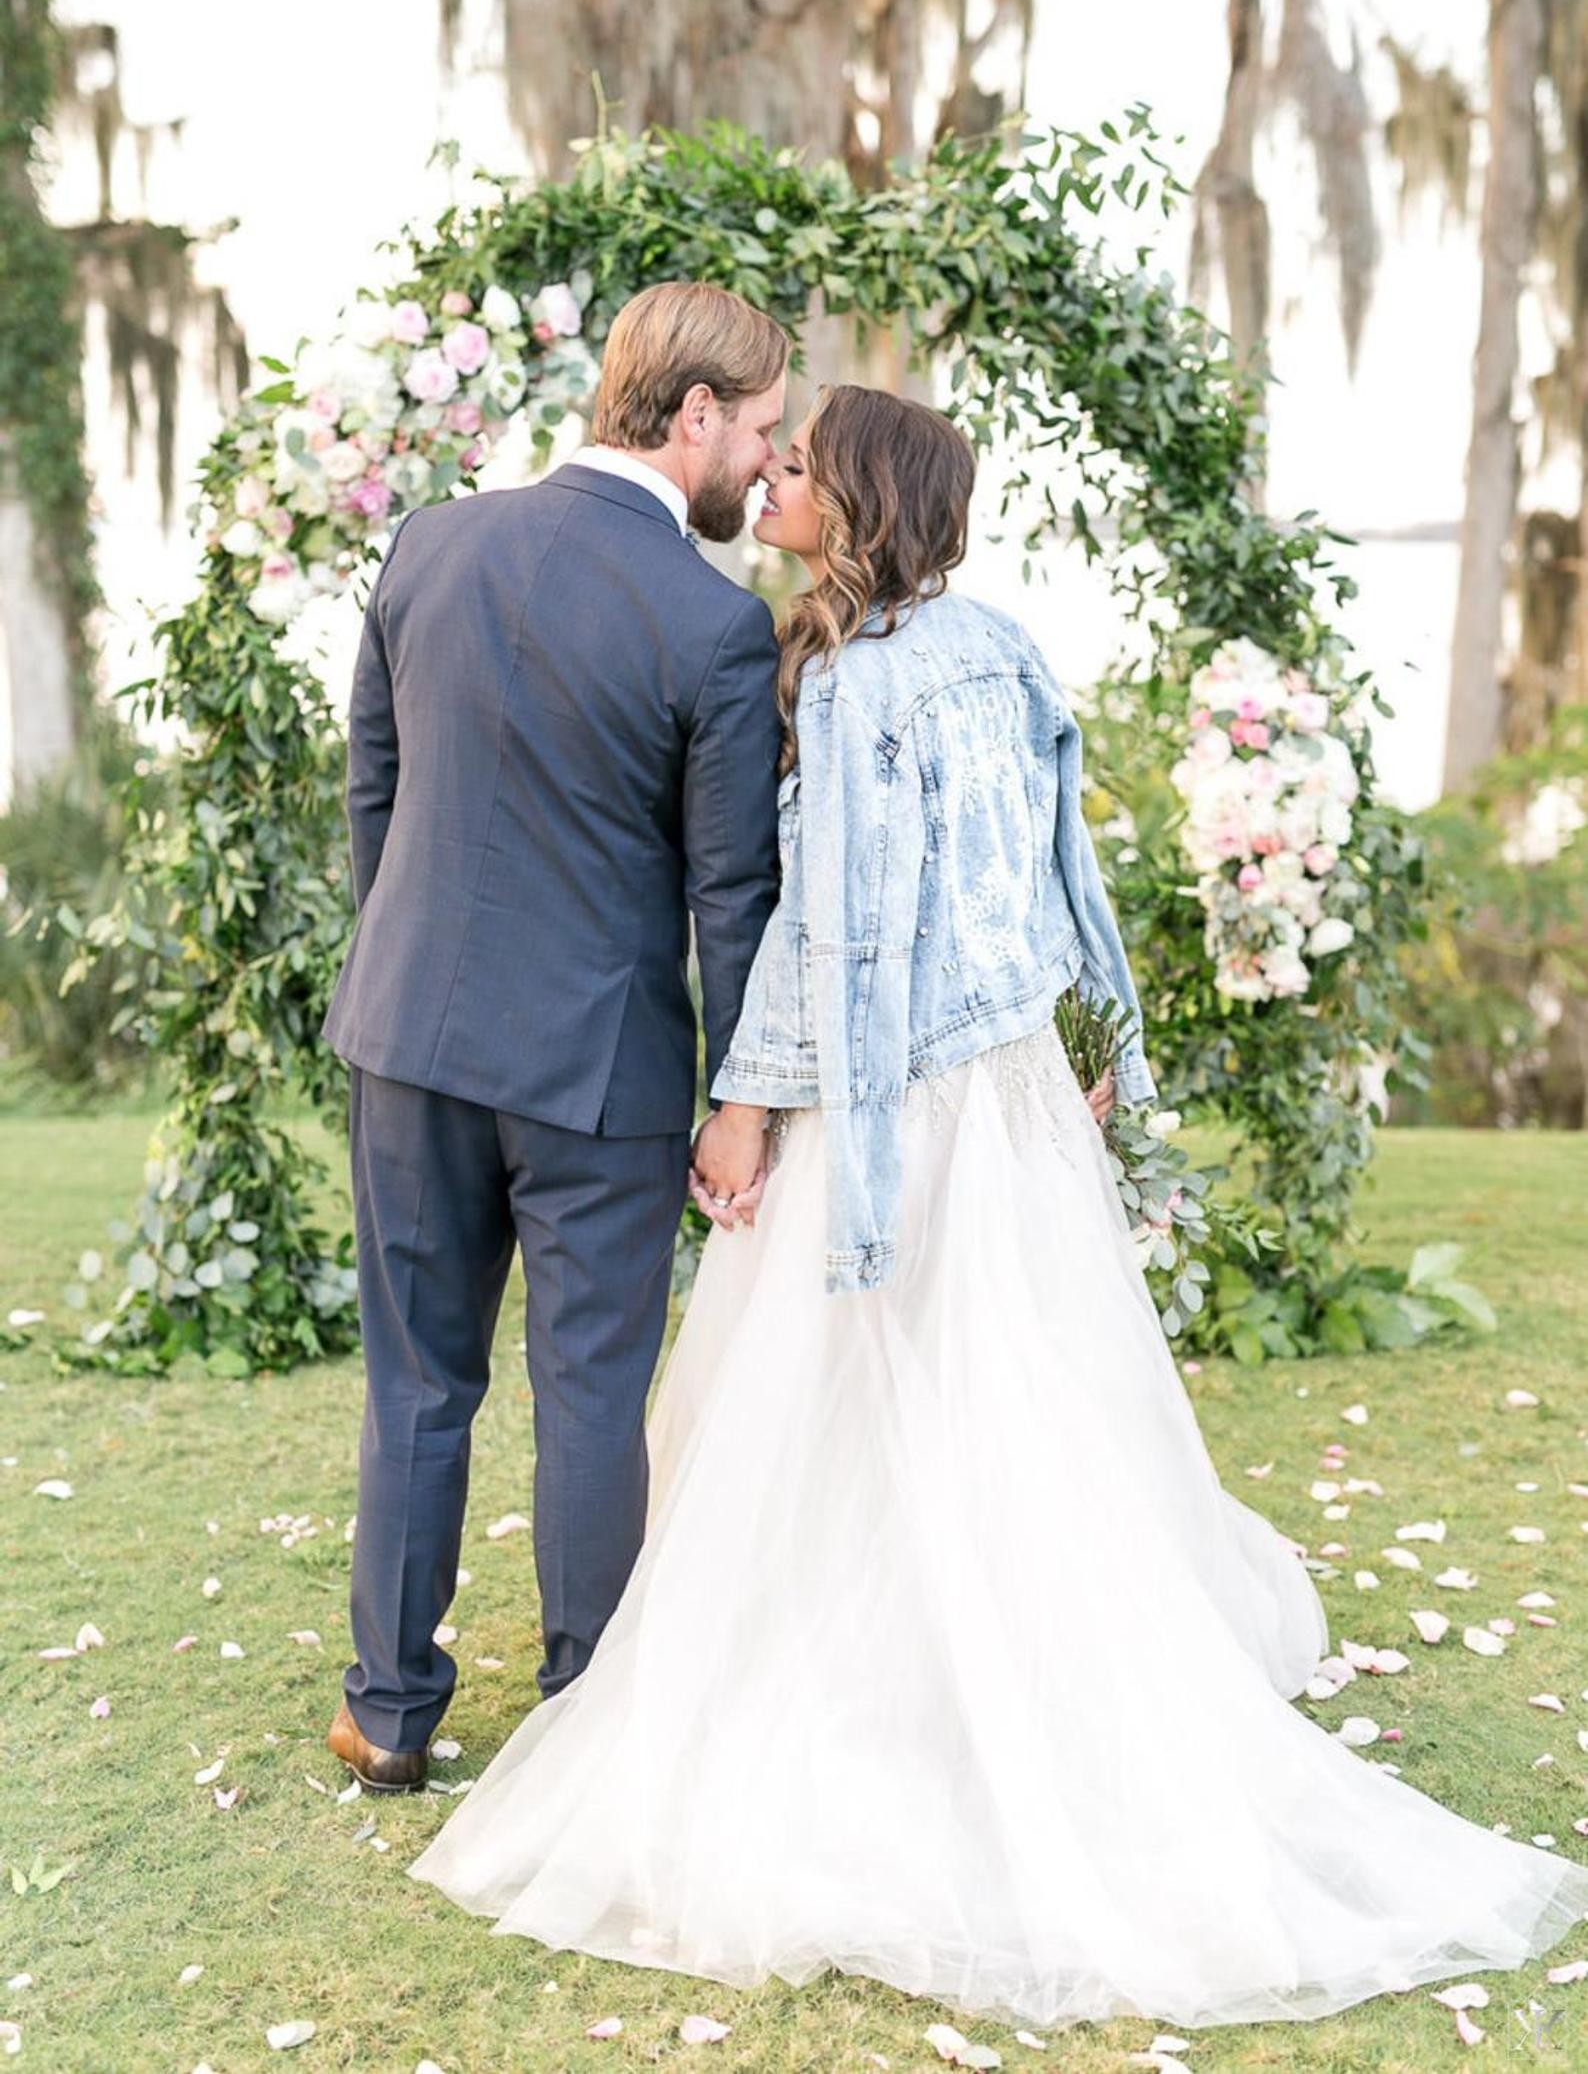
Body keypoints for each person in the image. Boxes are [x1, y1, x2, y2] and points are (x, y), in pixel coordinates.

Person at [408, 385, 1588, 2031]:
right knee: (1020, 1387)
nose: (778, 477)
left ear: (862, 502)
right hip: (1013, 1088)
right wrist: (1084, 1035)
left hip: (893, 1107)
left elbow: (830, 933)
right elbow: (1053, 878)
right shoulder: (1003, 650)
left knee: (875, 1394)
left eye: (805, 464)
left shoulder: (854, 686)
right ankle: (1005, 1668)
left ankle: (918, 1700)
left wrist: (747, 1104)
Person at [319, 280, 789, 1792]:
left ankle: (389, 1713)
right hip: (601, 1080)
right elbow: (734, 894)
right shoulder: (717, 624)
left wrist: (410, 968)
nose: (769, 469)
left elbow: (373, 803)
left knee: (417, 1381)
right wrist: (743, 1099)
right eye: (764, 431)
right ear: (695, 415)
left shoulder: (429, 544)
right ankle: (586, 1724)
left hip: (409, 1043)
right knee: (590, 1393)